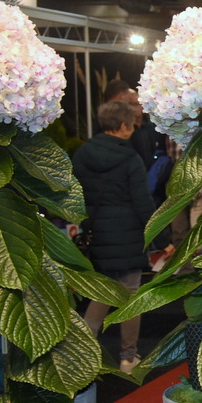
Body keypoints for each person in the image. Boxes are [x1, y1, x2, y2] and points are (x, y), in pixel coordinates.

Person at [72, 100, 156, 373]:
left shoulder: (82, 154)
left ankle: (82, 351)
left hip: (98, 232)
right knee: (130, 295)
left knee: (102, 292)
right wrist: (161, 238)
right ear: (122, 126)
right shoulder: (130, 158)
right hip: (128, 234)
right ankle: (128, 358)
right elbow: (143, 203)